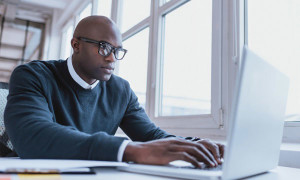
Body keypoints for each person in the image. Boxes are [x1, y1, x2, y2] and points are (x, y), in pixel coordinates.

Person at [4, 16, 224, 168]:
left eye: (117, 50)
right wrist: (129, 150)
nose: (111, 58)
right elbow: (32, 136)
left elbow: (151, 137)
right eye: (103, 47)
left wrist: (196, 145)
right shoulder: (33, 75)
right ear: (76, 45)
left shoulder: (121, 90)